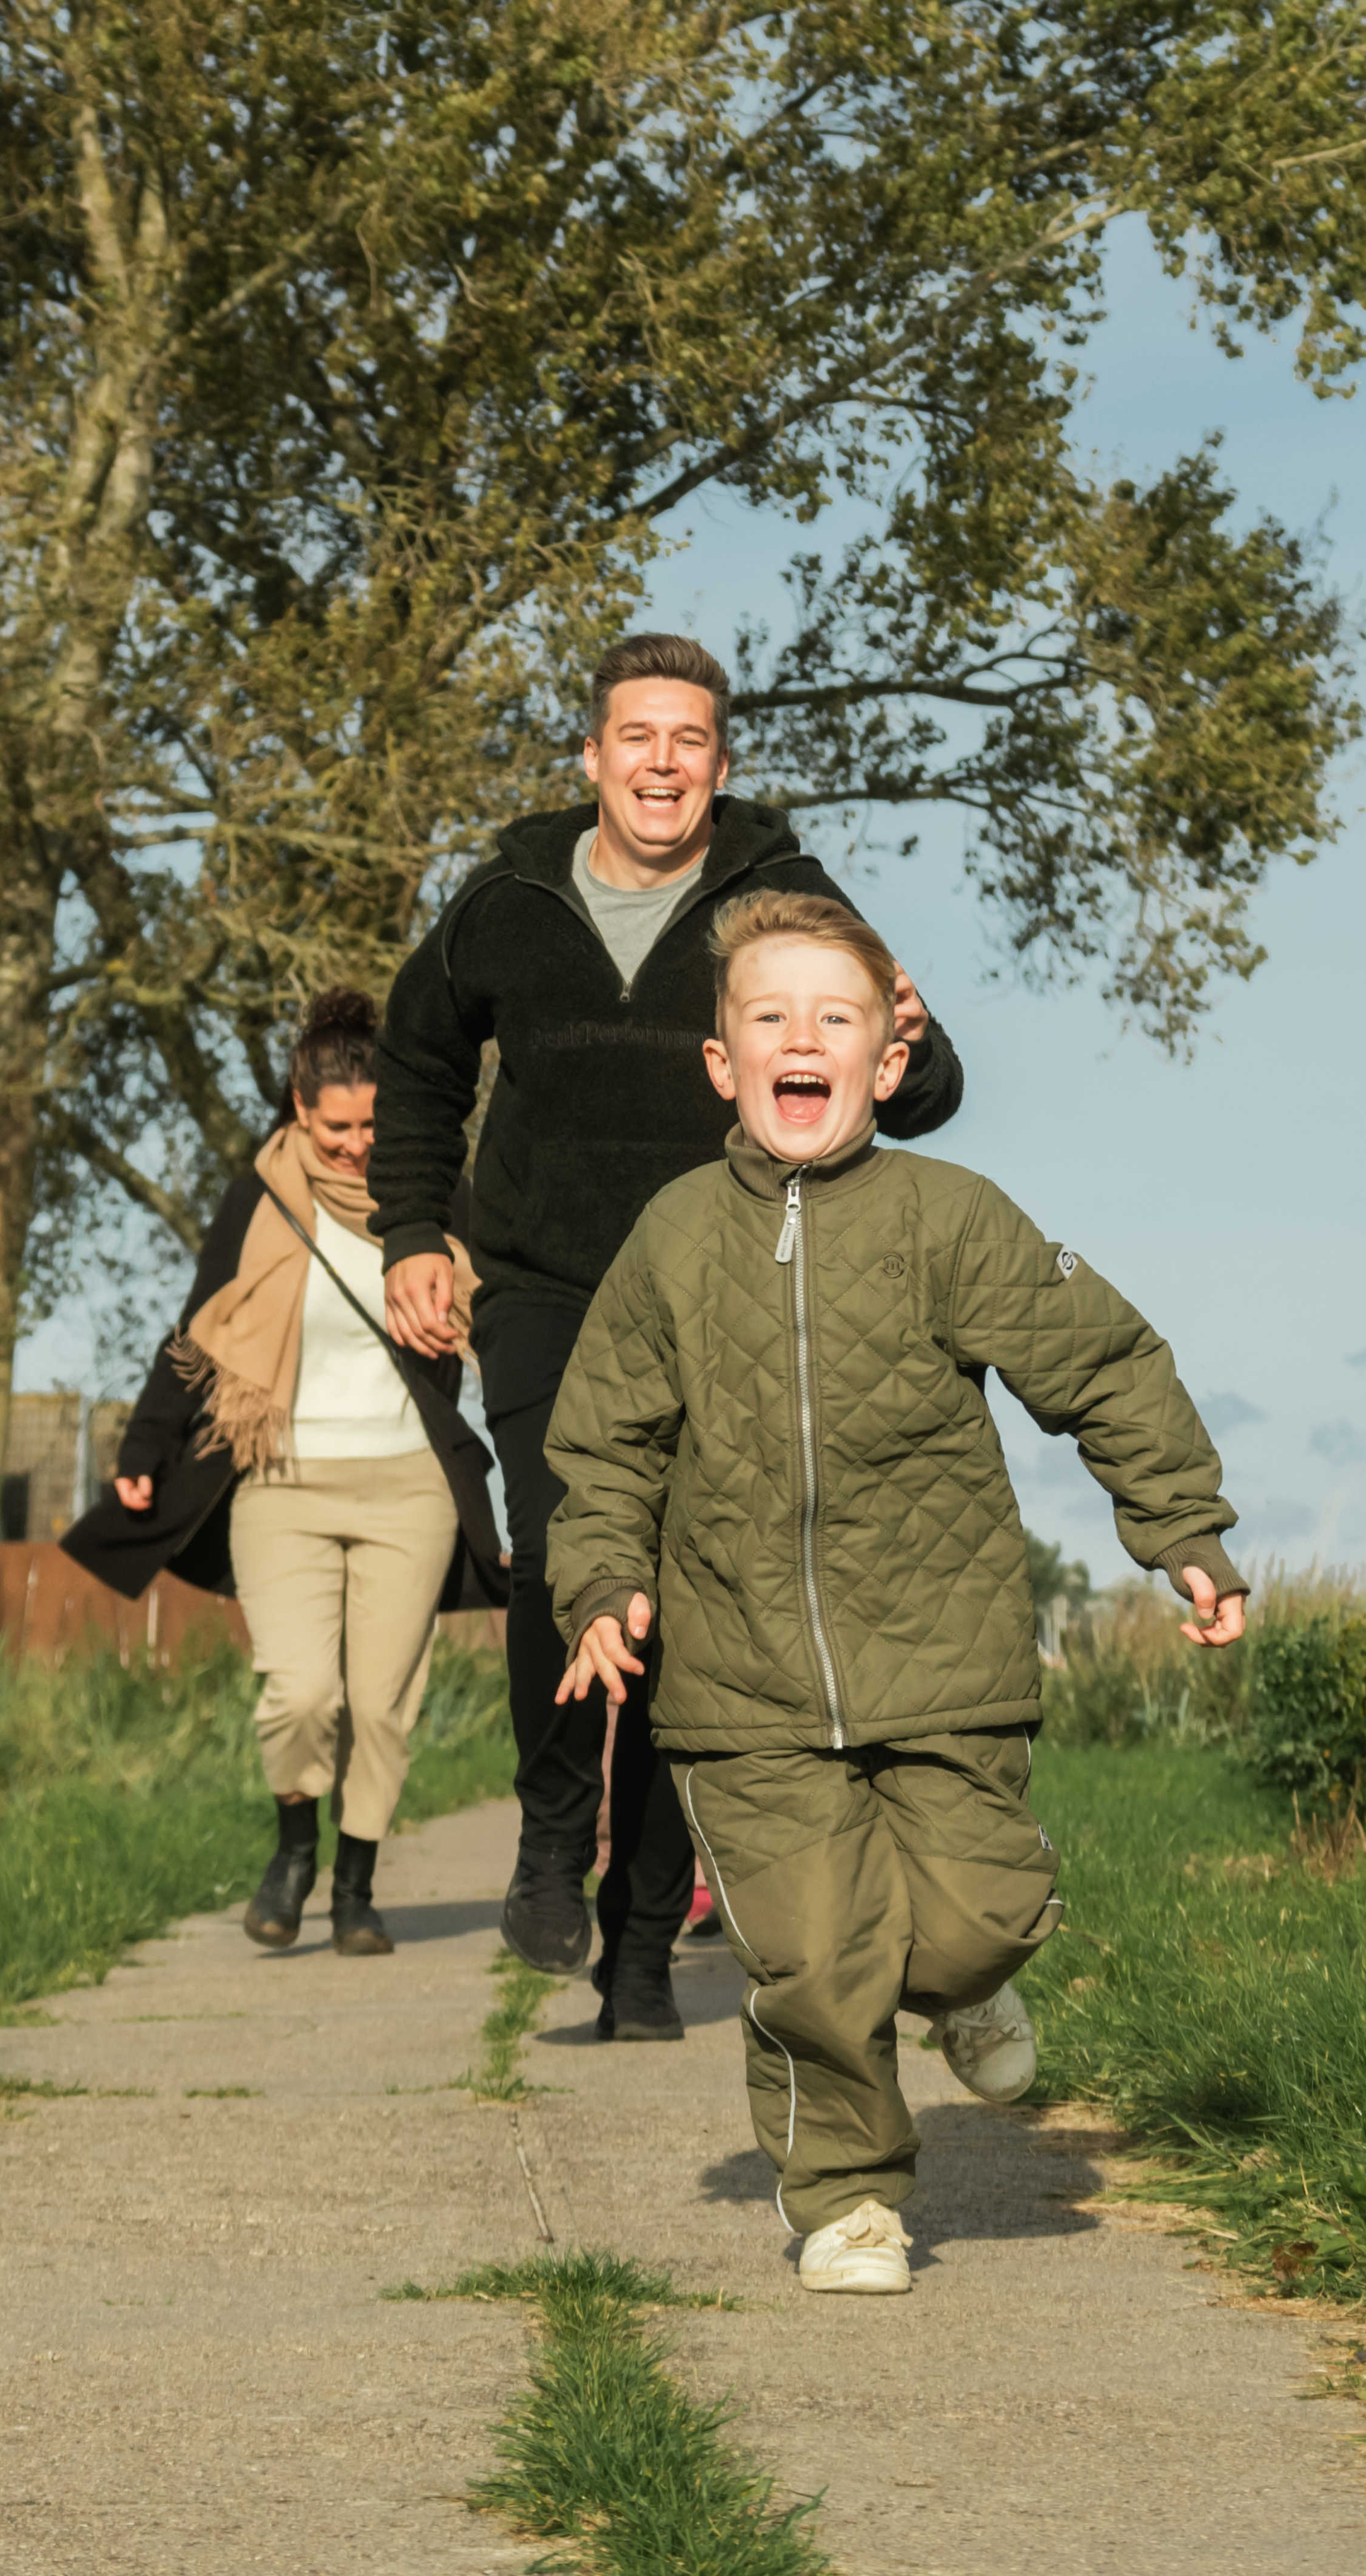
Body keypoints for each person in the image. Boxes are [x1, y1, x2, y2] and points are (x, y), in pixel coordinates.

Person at [545, 891, 1247, 2294]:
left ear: (886, 1060)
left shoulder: (949, 1218)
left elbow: (1099, 1365)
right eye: (769, 1020)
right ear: (722, 1066)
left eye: (836, 1019)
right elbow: (606, 1440)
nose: (801, 1041)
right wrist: (603, 1585)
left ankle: (972, 1987)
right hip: (739, 1682)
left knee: (972, 1915)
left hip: (943, 1650)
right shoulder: (674, 1238)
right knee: (811, 1958)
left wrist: (1180, 1528)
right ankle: (847, 2200)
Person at [370, 633, 965, 2038]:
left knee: (685, 1613)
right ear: (591, 759)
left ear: (719, 762)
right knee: (565, 1538)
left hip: (724, 1293)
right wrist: (411, 1231)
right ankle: (548, 1830)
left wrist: (921, 1050)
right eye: (635, 737)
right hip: (539, 1282)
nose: (659, 763)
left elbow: (906, 1083)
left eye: (687, 740)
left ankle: (641, 1943)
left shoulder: (781, 899)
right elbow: (417, 1058)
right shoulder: (508, 902)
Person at [63, 990, 505, 1955]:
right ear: (300, 1113)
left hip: (409, 1486)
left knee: (382, 1705)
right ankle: (293, 1850)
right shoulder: (258, 1198)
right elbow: (199, 1330)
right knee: (303, 1691)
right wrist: (142, 1453)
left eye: (373, 1125)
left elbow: (500, 1313)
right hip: (281, 1479)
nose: (355, 1146)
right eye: (337, 1127)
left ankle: (356, 1887)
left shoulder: (436, 1196)